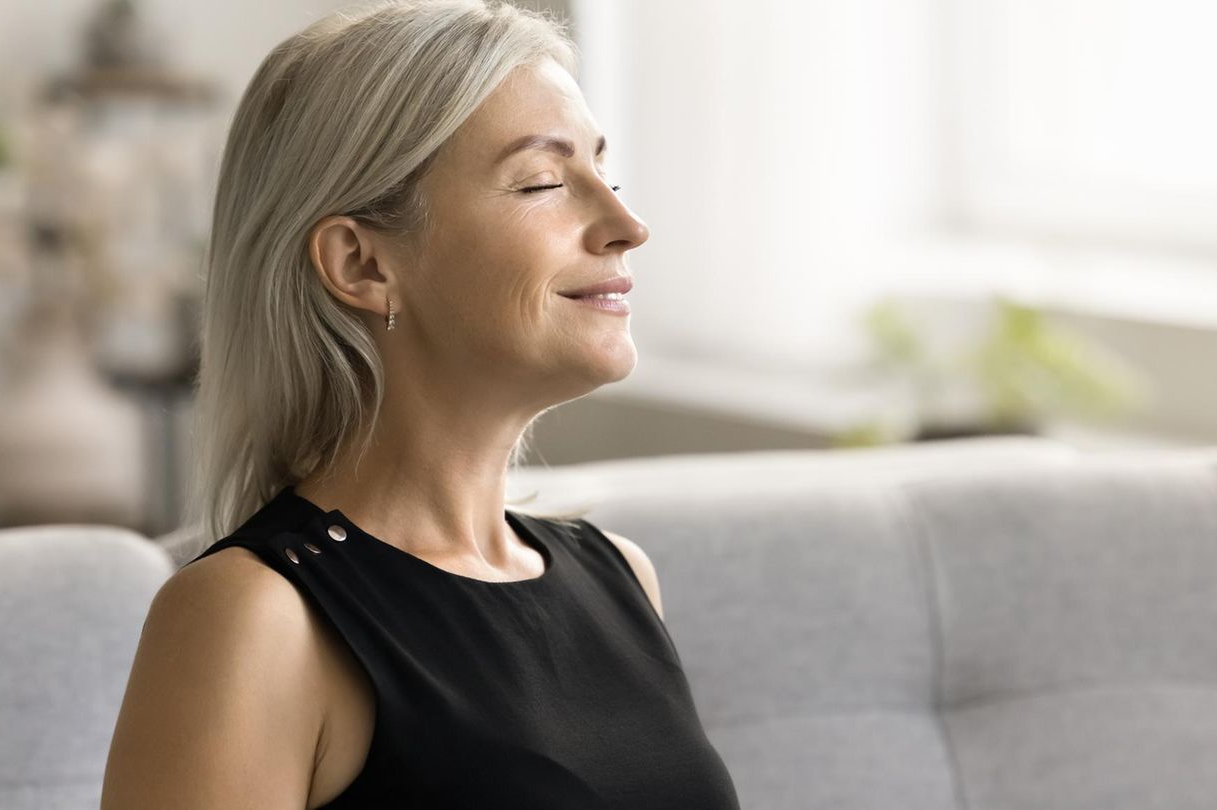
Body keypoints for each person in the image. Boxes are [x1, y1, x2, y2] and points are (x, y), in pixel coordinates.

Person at [100, 1, 741, 807]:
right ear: (362, 264)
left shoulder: (620, 578)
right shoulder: (256, 618)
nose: (626, 223)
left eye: (605, 175)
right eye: (544, 181)